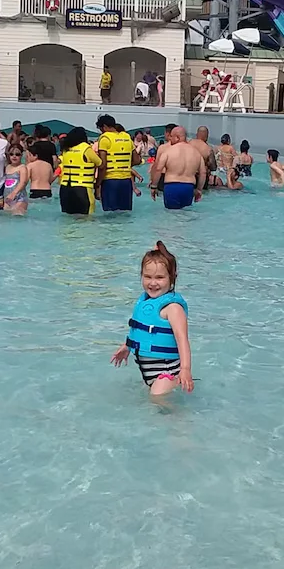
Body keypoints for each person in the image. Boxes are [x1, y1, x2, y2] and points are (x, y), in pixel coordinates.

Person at [111, 241, 193, 401]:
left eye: (160, 277)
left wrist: (185, 369)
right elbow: (141, 331)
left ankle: (183, 425)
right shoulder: (145, 302)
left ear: (172, 277)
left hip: (167, 371)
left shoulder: (173, 308)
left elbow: (182, 339)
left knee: (158, 402)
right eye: (147, 276)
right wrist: (127, 346)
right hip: (149, 372)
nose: (153, 282)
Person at [151, 126, 205, 210]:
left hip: (172, 186)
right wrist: (199, 190)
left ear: (177, 137)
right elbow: (203, 173)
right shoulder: (196, 152)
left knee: (172, 215)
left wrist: (154, 186)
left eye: (171, 137)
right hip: (189, 187)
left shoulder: (168, 151)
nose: (170, 139)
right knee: (185, 214)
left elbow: (158, 169)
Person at [95, 114, 135, 212]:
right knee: (125, 213)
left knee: (110, 215)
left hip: (110, 181)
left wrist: (97, 184)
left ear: (104, 127)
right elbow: (137, 160)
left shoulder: (105, 138)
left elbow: (103, 165)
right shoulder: (126, 136)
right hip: (126, 181)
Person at [58, 126, 101, 215]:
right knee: (86, 218)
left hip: (65, 188)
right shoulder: (86, 148)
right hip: (83, 188)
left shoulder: (66, 149)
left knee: (68, 217)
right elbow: (100, 163)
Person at [2, 142, 29, 215]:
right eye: (11, 154)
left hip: (20, 198)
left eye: (17, 154)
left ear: (21, 155)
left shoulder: (22, 168)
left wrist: (14, 193)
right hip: (8, 198)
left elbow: (23, 183)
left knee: (17, 217)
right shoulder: (7, 167)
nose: (14, 156)